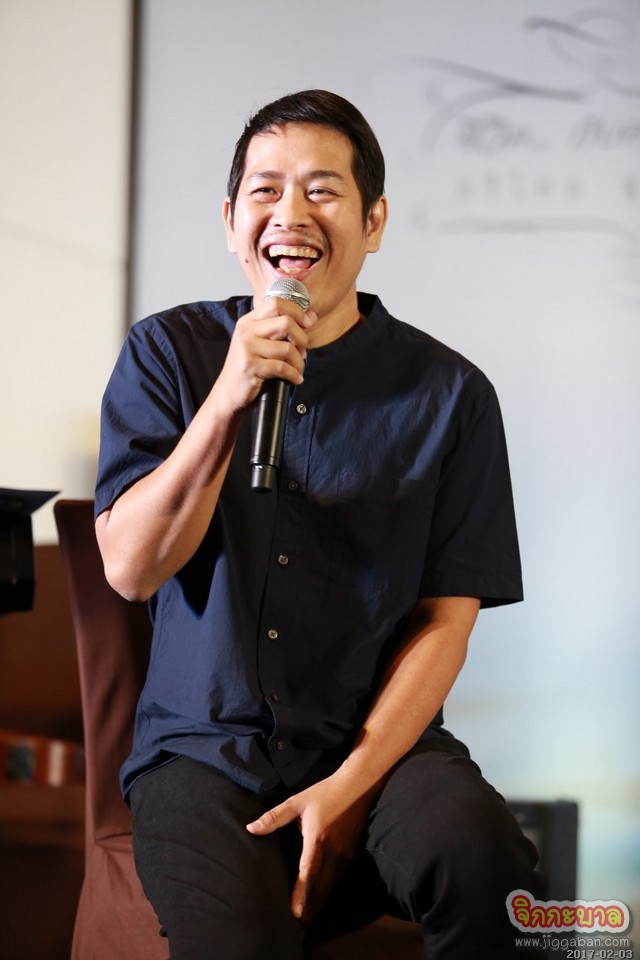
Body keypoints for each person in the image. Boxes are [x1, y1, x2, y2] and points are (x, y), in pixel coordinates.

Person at [94, 89, 542, 959]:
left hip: (381, 751)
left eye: (323, 190)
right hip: (203, 756)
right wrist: (228, 399)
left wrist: (352, 784)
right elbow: (130, 568)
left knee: (489, 866)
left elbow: (447, 625)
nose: (290, 214)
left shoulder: (451, 396)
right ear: (231, 221)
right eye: (265, 190)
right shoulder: (167, 354)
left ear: (374, 222)